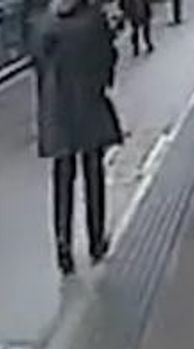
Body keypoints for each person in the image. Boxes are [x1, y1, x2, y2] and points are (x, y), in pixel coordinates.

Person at [34, 0, 124, 275]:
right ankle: (96, 241)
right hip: (88, 104)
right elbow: (108, 58)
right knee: (93, 175)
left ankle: (63, 247)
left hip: (57, 109)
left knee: (62, 180)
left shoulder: (46, 23)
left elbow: (38, 62)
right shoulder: (93, 20)